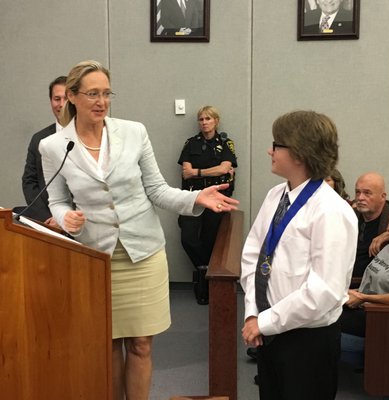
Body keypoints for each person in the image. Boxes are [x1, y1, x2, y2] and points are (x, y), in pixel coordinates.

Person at [38, 60, 239, 400]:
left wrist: (196, 198)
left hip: (142, 252)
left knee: (142, 345)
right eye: (92, 94)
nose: (101, 101)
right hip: (96, 256)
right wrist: (65, 215)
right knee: (111, 344)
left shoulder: (133, 132)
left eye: (106, 93)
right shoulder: (54, 146)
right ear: (72, 97)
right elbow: (56, 199)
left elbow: (157, 190)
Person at [240, 110, 358, 400]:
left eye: (277, 144)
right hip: (269, 328)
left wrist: (264, 322)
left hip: (307, 340)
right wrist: (253, 312)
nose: (270, 150)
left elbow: (324, 291)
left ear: (300, 154)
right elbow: (254, 254)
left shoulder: (330, 210)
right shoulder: (275, 196)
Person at [177, 105, 237, 305]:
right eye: (201, 119)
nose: (204, 122)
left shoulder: (226, 143)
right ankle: (206, 270)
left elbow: (226, 168)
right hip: (192, 197)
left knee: (213, 240)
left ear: (216, 121)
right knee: (188, 238)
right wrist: (213, 171)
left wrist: (199, 172)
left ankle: (206, 282)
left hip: (217, 198)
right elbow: (186, 172)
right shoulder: (191, 143)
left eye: (208, 119)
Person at [340, 203, 389, 400]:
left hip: (380, 319)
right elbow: (369, 282)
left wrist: (364, 298)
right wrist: (354, 292)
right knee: (314, 313)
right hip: (360, 306)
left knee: (318, 324)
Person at [21, 76, 67, 223]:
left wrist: (64, 218)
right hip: (48, 224)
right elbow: (30, 182)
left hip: (81, 224)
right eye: (57, 99)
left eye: (66, 98)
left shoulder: (87, 135)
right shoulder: (39, 139)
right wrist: (47, 218)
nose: (61, 104)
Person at [352, 172, 389, 283]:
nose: (360, 198)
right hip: (346, 282)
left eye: (367, 193)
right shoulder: (349, 214)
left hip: (376, 287)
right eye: (358, 192)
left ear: (383, 197)